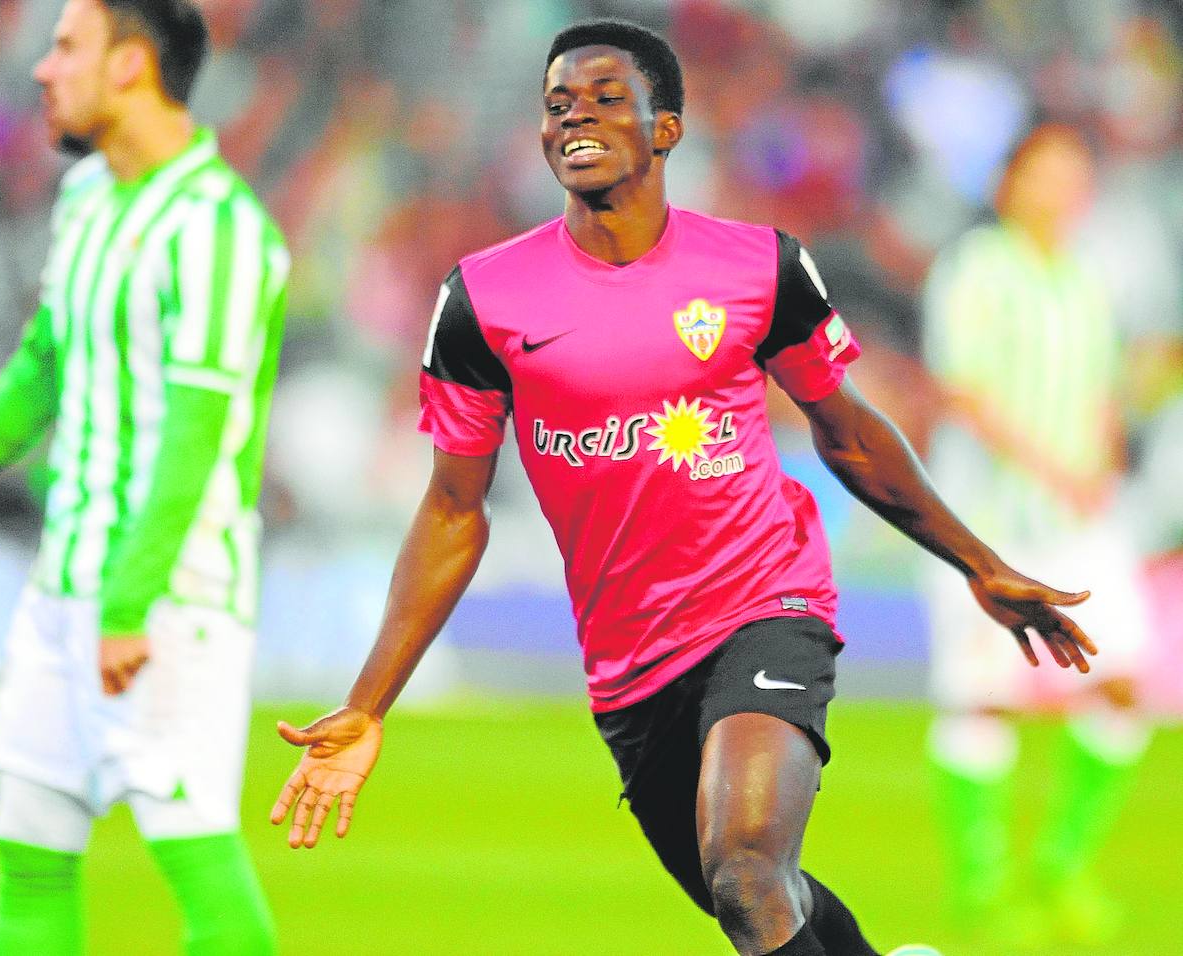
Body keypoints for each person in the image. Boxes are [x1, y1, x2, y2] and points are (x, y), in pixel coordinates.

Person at [269, 19, 1094, 956]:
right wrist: (369, 703)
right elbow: (453, 511)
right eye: (556, 103)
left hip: (764, 605)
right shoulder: (483, 300)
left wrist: (979, 565)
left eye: (606, 97)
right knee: (751, 893)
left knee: (745, 866)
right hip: (629, 665)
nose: (573, 115)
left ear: (667, 128)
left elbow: (850, 433)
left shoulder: (759, 267)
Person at [0, 1, 288, 952]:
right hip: (65, 588)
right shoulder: (89, 195)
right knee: (28, 853)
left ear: (131, 66)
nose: (41, 71)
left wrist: (131, 603)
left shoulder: (221, 231)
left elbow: (195, 435)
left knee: (197, 863)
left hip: (172, 598)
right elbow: (41, 366)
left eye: (65, 48)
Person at [922, 123, 1152, 948]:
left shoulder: (1086, 278)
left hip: (1084, 519)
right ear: (1007, 183)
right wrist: (1056, 467)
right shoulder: (977, 267)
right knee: (986, 699)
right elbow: (965, 392)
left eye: (1074, 176)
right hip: (992, 523)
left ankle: (1061, 864)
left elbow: (1099, 387)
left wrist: (1105, 450)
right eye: (1045, 174)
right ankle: (981, 886)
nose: (1062, 191)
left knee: (1125, 686)